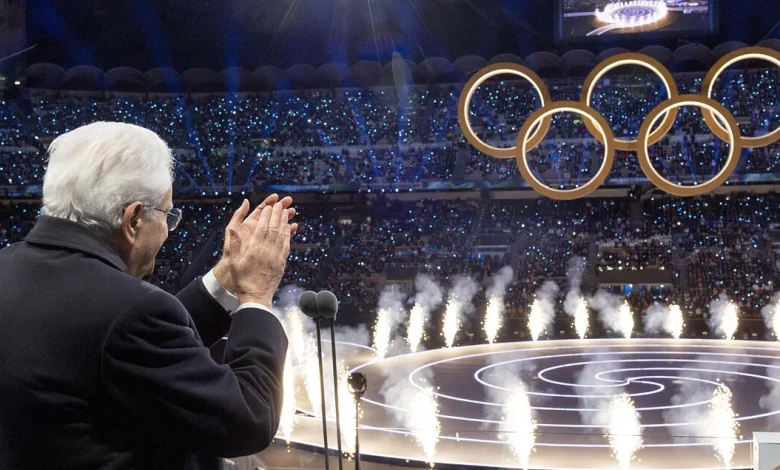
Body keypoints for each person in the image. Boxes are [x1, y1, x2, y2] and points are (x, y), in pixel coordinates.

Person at [0, 122, 298, 469]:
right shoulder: (130, 312)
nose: (168, 232)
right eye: (167, 215)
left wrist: (226, 279)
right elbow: (249, 420)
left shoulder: (9, 266)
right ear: (133, 220)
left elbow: (117, 347)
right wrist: (256, 295)